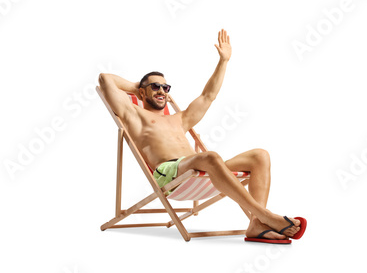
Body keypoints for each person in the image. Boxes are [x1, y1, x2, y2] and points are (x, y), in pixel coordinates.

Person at [98, 29, 305, 243]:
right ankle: (266, 216)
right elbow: (105, 79)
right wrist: (138, 86)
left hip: (202, 170)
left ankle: (255, 225)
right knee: (211, 157)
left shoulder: (181, 118)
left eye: (165, 87)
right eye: (155, 87)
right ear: (141, 93)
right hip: (170, 174)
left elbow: (209, 95)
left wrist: (223, 61)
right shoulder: (135, 115)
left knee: (260, 155)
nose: (161, 91)